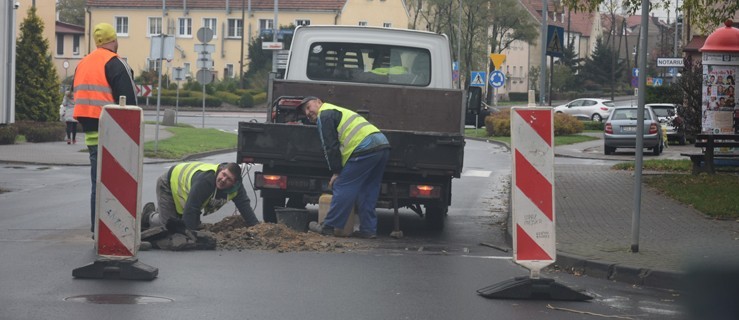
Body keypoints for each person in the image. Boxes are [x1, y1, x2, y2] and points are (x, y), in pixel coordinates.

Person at [73, 22, 138, 233]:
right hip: (114, 132)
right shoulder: (116, 63)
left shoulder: (82, 63)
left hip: (91, 133)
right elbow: (129, 104)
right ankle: (117, 230)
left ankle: (97, 230)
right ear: (114, 40)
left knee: (98, 183)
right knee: (118, 186)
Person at [299, 96, 390, 239]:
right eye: (305, 112)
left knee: (342, 185)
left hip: (364, 147)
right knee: (368, 189)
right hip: (382, 145)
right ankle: (368, 230)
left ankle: (328, 226)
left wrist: (336, 171)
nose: (308, 113)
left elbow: (330, 147)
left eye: (308, 107)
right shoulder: (336, 110)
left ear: (319, 102)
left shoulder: (325, 114)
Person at [142, 162, 260, 231]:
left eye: (229, 179)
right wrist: (189, 234)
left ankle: (165, 212)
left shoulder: (237, 189)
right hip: (168, 183)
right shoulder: (207, 180)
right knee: (169, 227)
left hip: (187, 194)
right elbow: (192, 207)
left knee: (180, 222)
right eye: (223, 174)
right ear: (221, 170)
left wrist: (255, 227)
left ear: (235, 183)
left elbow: (244, 206)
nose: (223, 180)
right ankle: (149, 216)